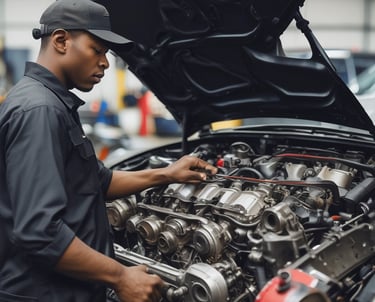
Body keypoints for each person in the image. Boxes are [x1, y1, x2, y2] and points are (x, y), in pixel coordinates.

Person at [0, 1, 217, 302]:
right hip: (45, 293)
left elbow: (96, 183)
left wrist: (166, 174)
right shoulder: (40, 110)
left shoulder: (53, 102)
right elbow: (40, 231)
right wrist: (120, 276)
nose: (105, 62)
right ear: (61, 41)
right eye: (98, 50)